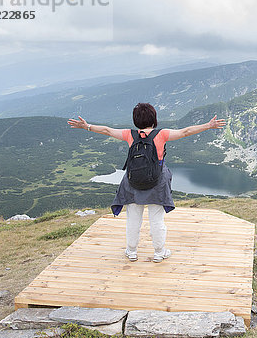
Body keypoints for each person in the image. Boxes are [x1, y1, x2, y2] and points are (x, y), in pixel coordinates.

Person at [67, 102, 226, 263]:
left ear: (135, 120)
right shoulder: (161, 135)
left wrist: (87, 126)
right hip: (156, 183)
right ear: (154, 119)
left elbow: (107, 130)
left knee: (133, 219)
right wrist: (208, 125)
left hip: (133, 182)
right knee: (156, 219)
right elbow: (185, 132)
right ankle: (159, 252)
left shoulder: (130, 135)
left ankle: (132, 251)